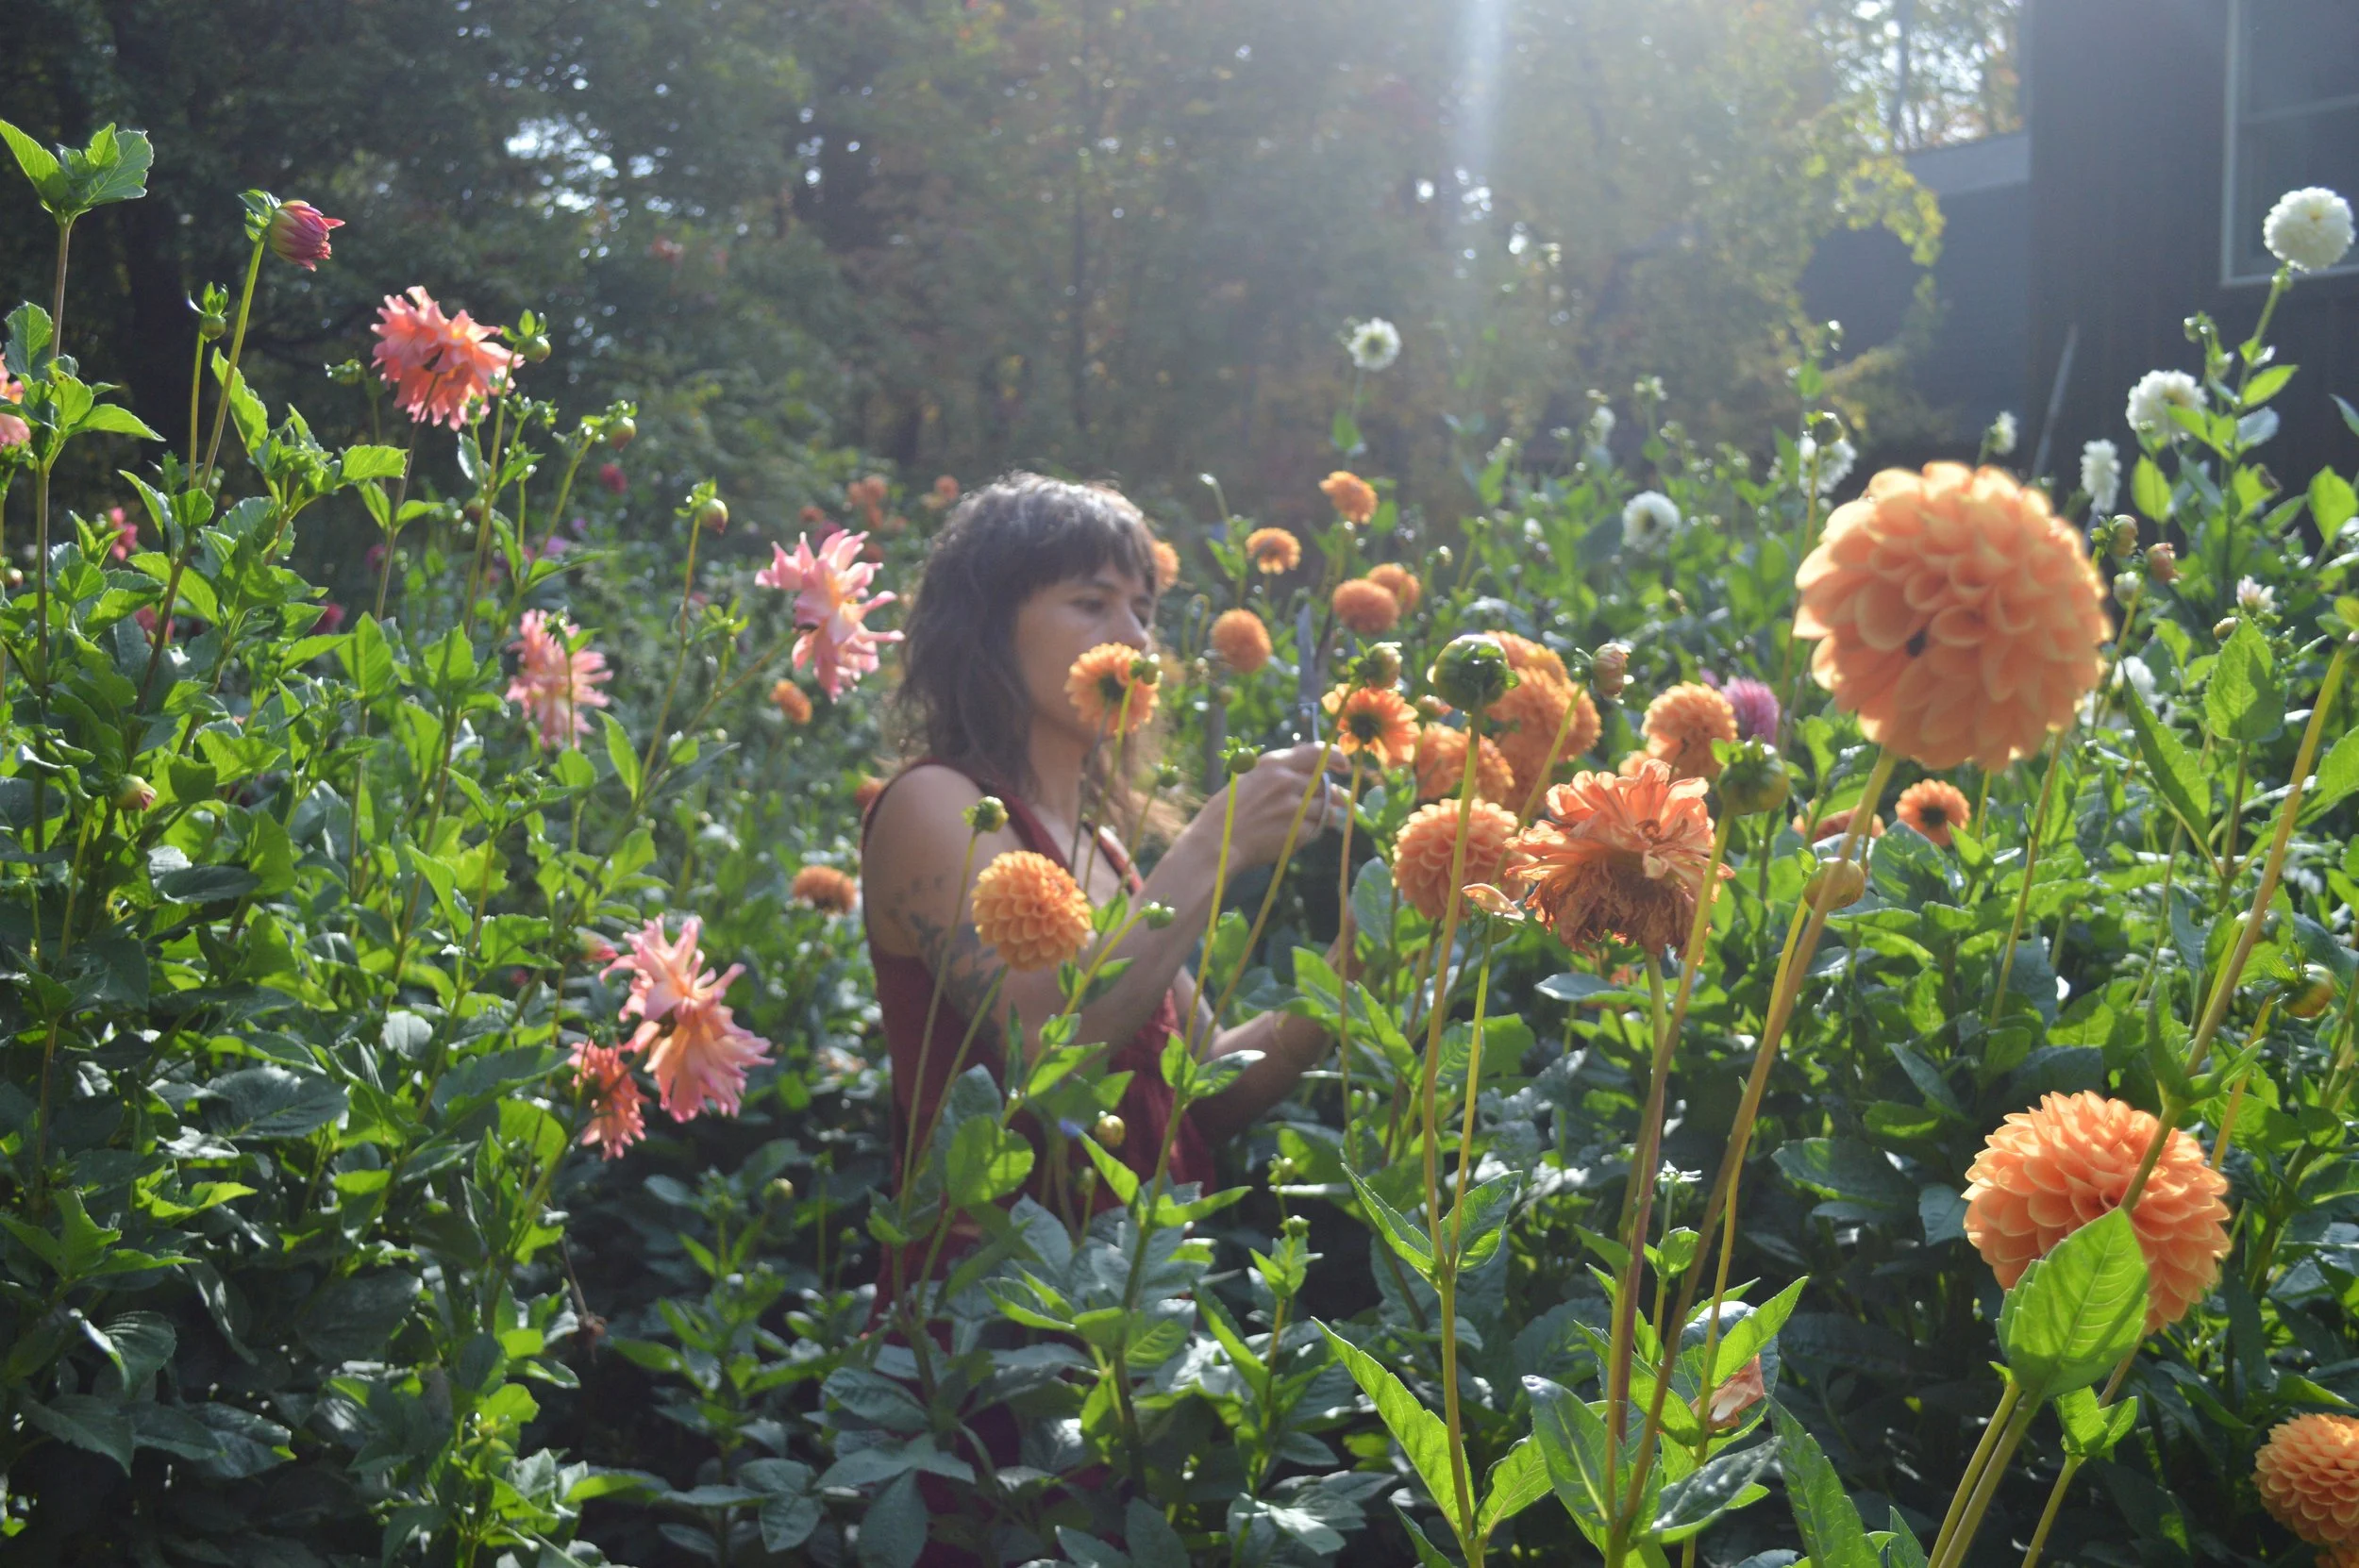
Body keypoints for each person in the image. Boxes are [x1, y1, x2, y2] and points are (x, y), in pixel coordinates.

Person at [861, 472, 1349, 1222]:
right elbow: (1048, 1054)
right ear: (988, 627)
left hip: (1139, 1309)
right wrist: (1214, 845)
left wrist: (1354, 967)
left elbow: (1211, 1084)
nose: (1136, 638)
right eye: (1093, 603)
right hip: (996, 1311)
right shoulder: (938, 805)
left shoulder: (1104, 851)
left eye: (1143, 610)